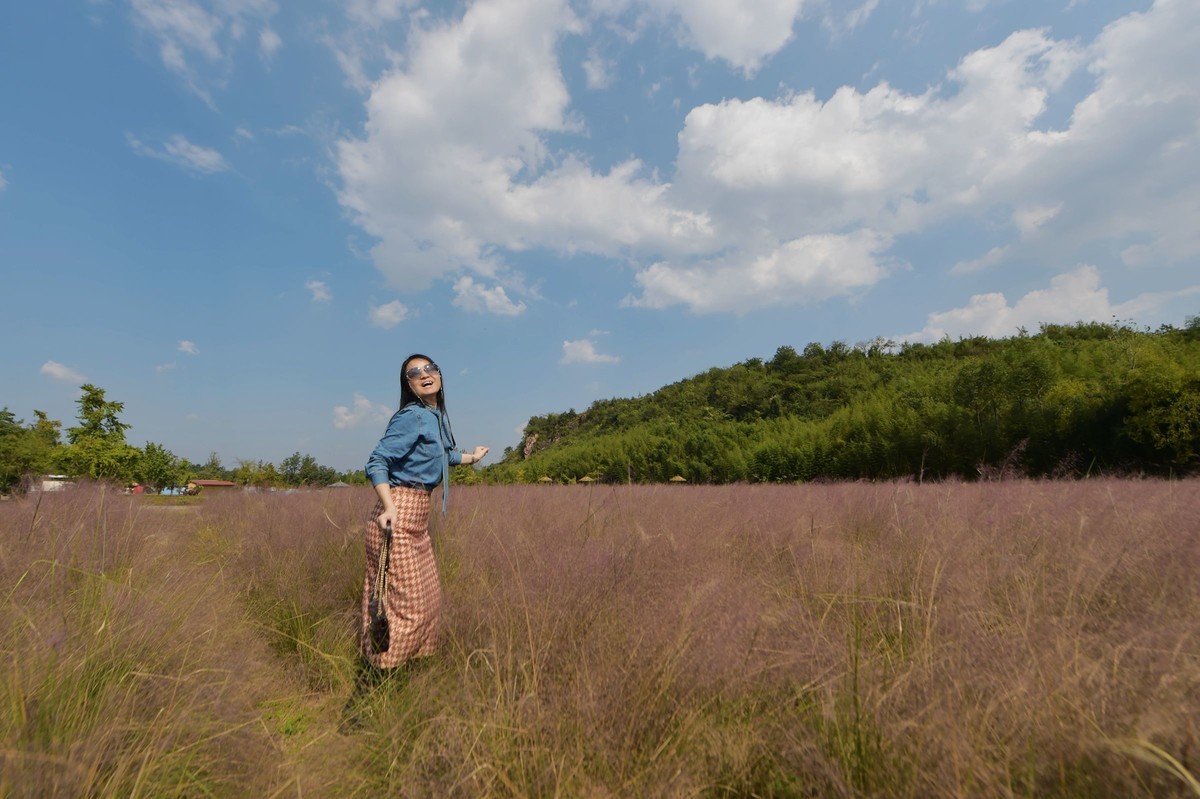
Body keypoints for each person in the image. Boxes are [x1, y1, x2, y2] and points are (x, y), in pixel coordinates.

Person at [343, 353, 488, 728]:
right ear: (407, 385)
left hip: (417, 516)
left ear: (439, 375)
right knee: (405, 610)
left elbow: (442, 456)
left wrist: (471, 457)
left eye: (429, 369)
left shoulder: (435, 418)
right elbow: (376, 461)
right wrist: (388, 505)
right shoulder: (411, 416)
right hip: (398, 513)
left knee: (429, 603)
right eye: (414, 373)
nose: (423, 375)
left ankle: (406, 684)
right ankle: (364, 704)